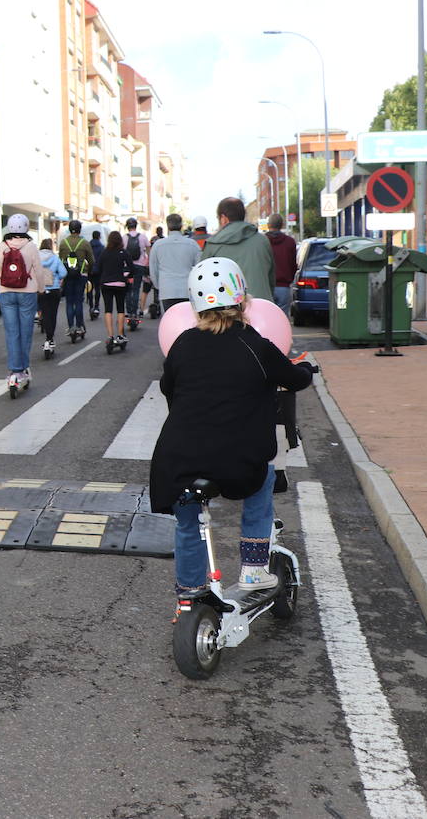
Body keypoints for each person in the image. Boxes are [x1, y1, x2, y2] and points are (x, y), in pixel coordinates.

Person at [149, 257, 314, 604]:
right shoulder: (256, 346)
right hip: (238, 462)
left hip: (177, 460)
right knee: (265, 477)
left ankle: (189, 594)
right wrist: (307, 368)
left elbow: (168, 388)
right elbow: (296, 379)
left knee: (188, 522)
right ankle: (254, 568)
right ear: (241, 299)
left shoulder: (182, 344)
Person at [0, 213, 43, 392]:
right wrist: (41, 289)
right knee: (26, 331)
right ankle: (23, 369)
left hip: (6, 293)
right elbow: (38, 270)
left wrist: (5, 283)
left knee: (11, 332)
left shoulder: (2, 246)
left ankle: (14, 370)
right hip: (27, 293)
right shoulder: (30, 246)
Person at [201, 197, 276, 301]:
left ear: (223, 218)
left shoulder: (213, 245)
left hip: (227, 310)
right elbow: (271, 278)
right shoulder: (262, 241)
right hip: (261, 306)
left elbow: (203, 282)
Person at [148, 213, 203, 313]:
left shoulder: (158, 245)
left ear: (168, 226)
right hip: (187, 289)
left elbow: (153, 269)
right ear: (181, 225)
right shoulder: (192, 244)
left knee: (170, 320)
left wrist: (158, 286)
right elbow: (200, 268)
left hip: (167, 289)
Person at [94, 230, 134, 348]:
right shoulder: (123, 252)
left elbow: (98, 267)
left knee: (108, 310)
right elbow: (132, 268)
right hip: (120, 284)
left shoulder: (104, 252)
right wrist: (128, 276)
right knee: (121, 309)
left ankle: (110, 335)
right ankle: (120, 335)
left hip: (106, 284)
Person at [57, 220, 94, 339]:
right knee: (78, 301)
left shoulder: (63, 243)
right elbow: (92, 260)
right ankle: (79, 326)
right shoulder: (84, 243)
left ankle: (71, 326)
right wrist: (89, 270)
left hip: (67, 276)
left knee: (69, 302)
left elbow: (60, 259)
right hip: (81, 276)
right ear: (79, 229)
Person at [37, 238, 66, 355]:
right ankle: (50, 338)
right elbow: (63, 273)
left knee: (45, 312)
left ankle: (48, 337)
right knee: (52, 314)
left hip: (41, 289)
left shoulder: (36, 257)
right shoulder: (55, 258)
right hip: (54, 289)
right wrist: (56, 278)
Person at [265, 213, 298, 315]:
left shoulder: (262, 241)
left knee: (267, 317)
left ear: (268, 225)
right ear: (282, 225)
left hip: (266, 287)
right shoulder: (290, 242)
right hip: (283, 287)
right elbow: (293, 264)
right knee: (282, 317)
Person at [122, 218, 149, 325]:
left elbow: (121, 252)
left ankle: (129, 311)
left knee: (128, 289)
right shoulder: (143, 237)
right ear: (136, 226)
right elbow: (148, 250)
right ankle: (135, 311)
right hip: (139, 266)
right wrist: (147, 263)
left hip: (127, 267)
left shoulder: (124, 238)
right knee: (136, 288)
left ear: (127, 226)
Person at [146, 226, 165, 317]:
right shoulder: (164, 240)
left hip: (154, 263)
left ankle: (156, 304)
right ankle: (158, 306)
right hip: (161, 264)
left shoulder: (153, 239)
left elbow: (149, 251)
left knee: (155, 286)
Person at [87, 229, 105, 317]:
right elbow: (103, 260)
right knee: (97, 289)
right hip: (98, 271)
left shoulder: (88, 245)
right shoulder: (102, 247)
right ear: (99, 237)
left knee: (89, 288)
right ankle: (96, 306)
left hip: (89, 270)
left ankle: (90, 305)